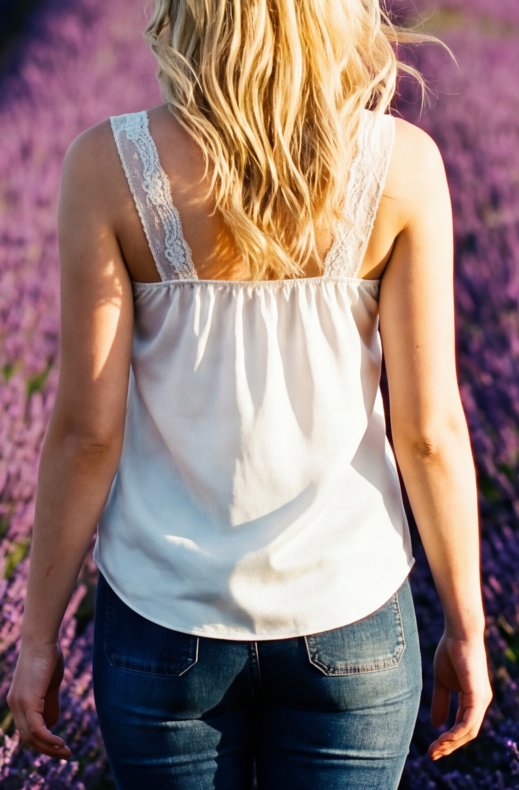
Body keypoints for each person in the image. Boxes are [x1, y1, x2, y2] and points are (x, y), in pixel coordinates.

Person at [7, 1, 493, 788]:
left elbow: (84, 435)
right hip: (350, 614)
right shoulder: (401, 165)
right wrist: (467, 628)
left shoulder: (106, 164)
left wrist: (37, 637)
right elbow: (430, 429)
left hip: (164, 619)